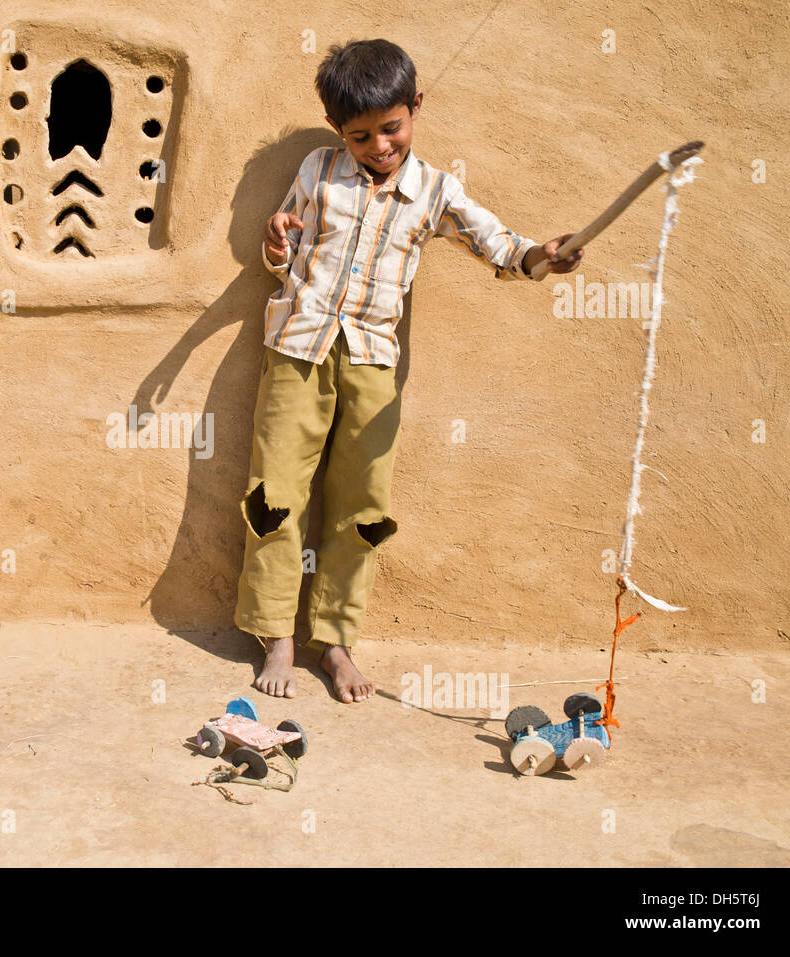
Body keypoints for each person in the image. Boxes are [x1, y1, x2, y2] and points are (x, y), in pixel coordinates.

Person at [237, 38, 583, 702]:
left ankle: (334, 638)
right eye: (360, 135)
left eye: (391, 128)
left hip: (372, 362)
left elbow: (499, 245)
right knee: (274, 492)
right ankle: (274, 632)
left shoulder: (435, 192)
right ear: (340, 132)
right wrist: (277, 240)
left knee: (363, 504)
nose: (379, 146)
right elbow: (282, 254)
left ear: (414, 107)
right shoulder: (318, 170)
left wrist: (542, 255)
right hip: (297, 350)